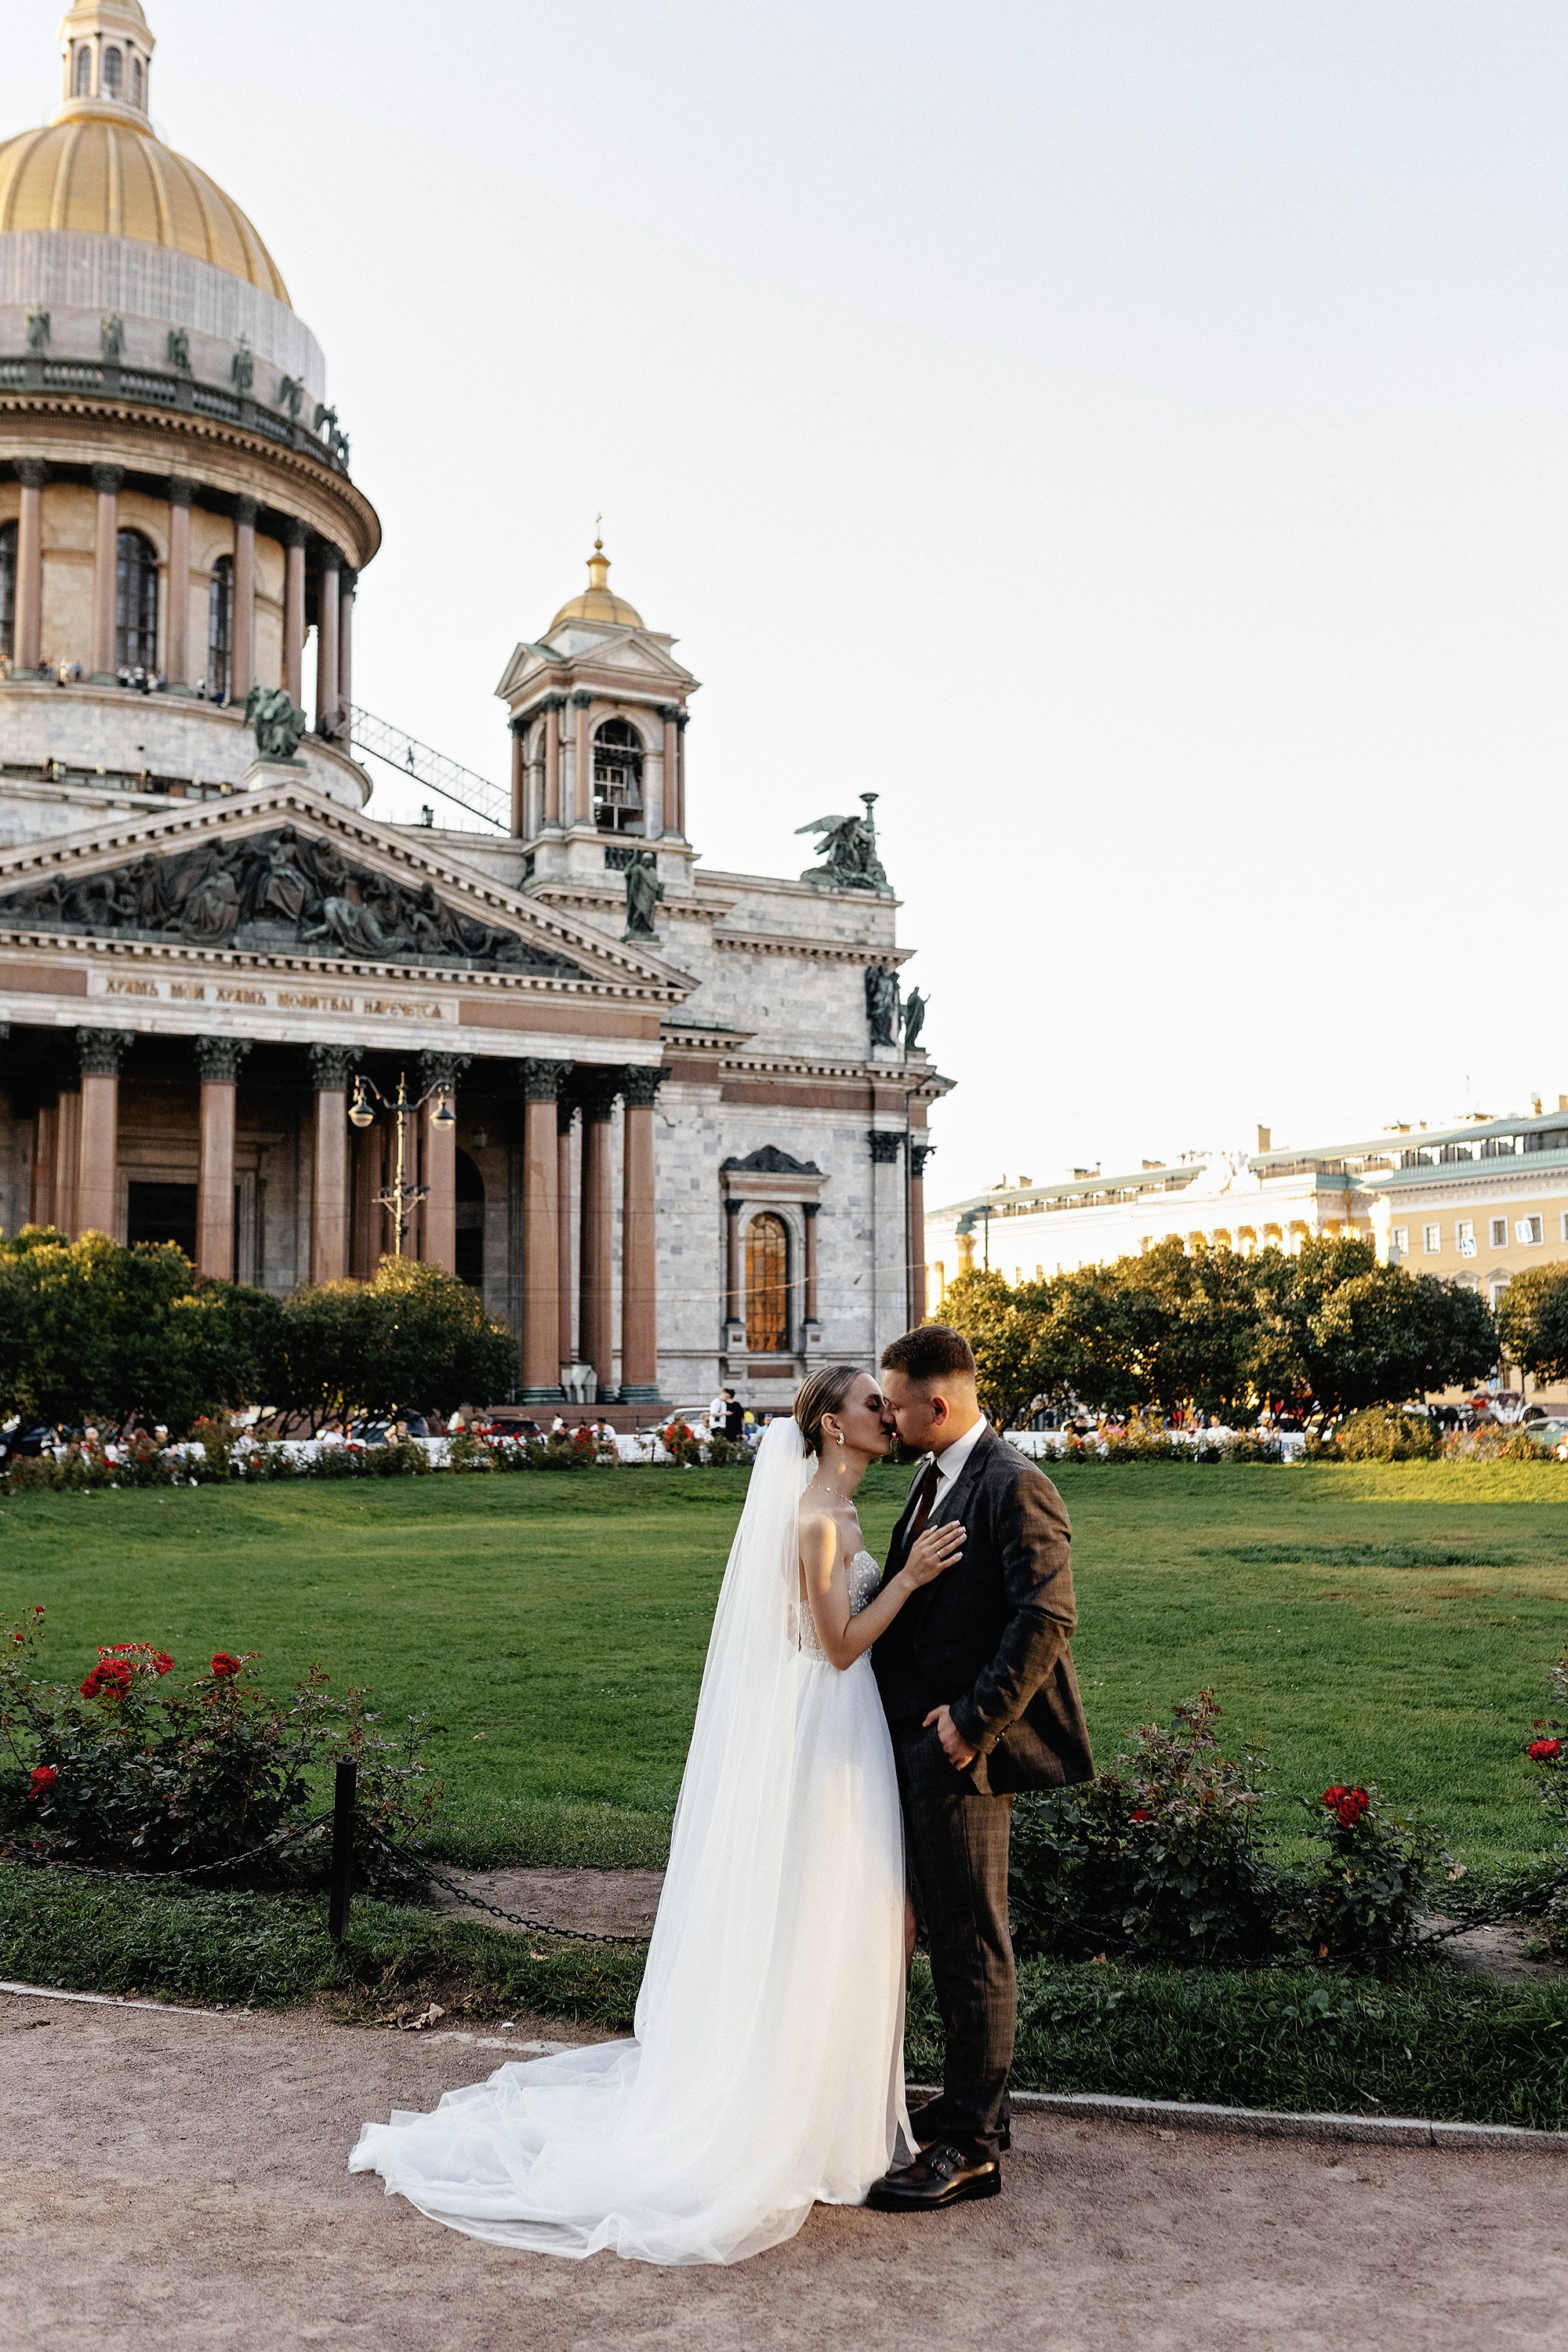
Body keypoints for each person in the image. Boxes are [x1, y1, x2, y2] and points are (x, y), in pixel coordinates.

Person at [350, 1364, 964, 2263]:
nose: (887, 1414)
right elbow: (835, 1647)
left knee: (836, 1908)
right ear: (832, 1427)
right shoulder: (814, 1519)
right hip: (828, 1717)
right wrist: (907, 1579)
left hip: (844, 1728)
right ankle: (793, 2117)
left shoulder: (841, 1509)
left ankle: (827, 2107)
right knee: (822, 1901)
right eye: (870, 1403)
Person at [867, 1323, 1092, 2212]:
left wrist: (972, 1724)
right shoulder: (933, 1478)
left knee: (971, 1942)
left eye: (891, 1403)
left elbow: (1047, 1616)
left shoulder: (1012, 1484)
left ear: (937, 1402)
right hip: (921, 1742)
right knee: (949, 1934)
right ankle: (970, 2105)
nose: (883, 1416)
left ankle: (969, 2144)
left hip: (964, 1749)